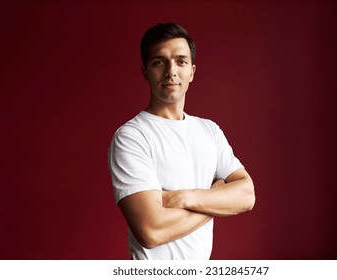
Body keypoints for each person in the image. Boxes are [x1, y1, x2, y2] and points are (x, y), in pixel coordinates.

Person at [108, 23, 255, 260]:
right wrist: (215, 198)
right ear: (145, 71)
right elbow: (151, 230)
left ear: (192, 72)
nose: (171, 71)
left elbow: (247, 196)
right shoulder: (131, 137)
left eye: (181, 61)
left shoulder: (209, 131)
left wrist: (182, 198)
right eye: (159, 62)